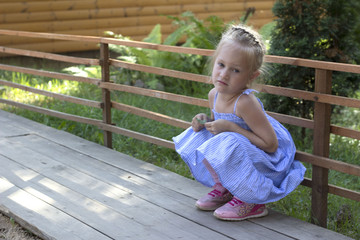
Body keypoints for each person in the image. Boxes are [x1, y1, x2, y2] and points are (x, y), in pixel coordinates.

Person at [172, 24, 306, 221]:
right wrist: (204, 122)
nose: (224, 74)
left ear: (252, 76)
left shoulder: (245, 102)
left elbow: (271, 145)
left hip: (268, 163)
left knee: (229, 140)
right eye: (221, 65)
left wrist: (232, 128)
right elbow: (219, 128)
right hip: (241, 154)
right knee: (201, 134)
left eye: (235, 70)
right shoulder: (214, 95)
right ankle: (226, 187)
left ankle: (252, 200)